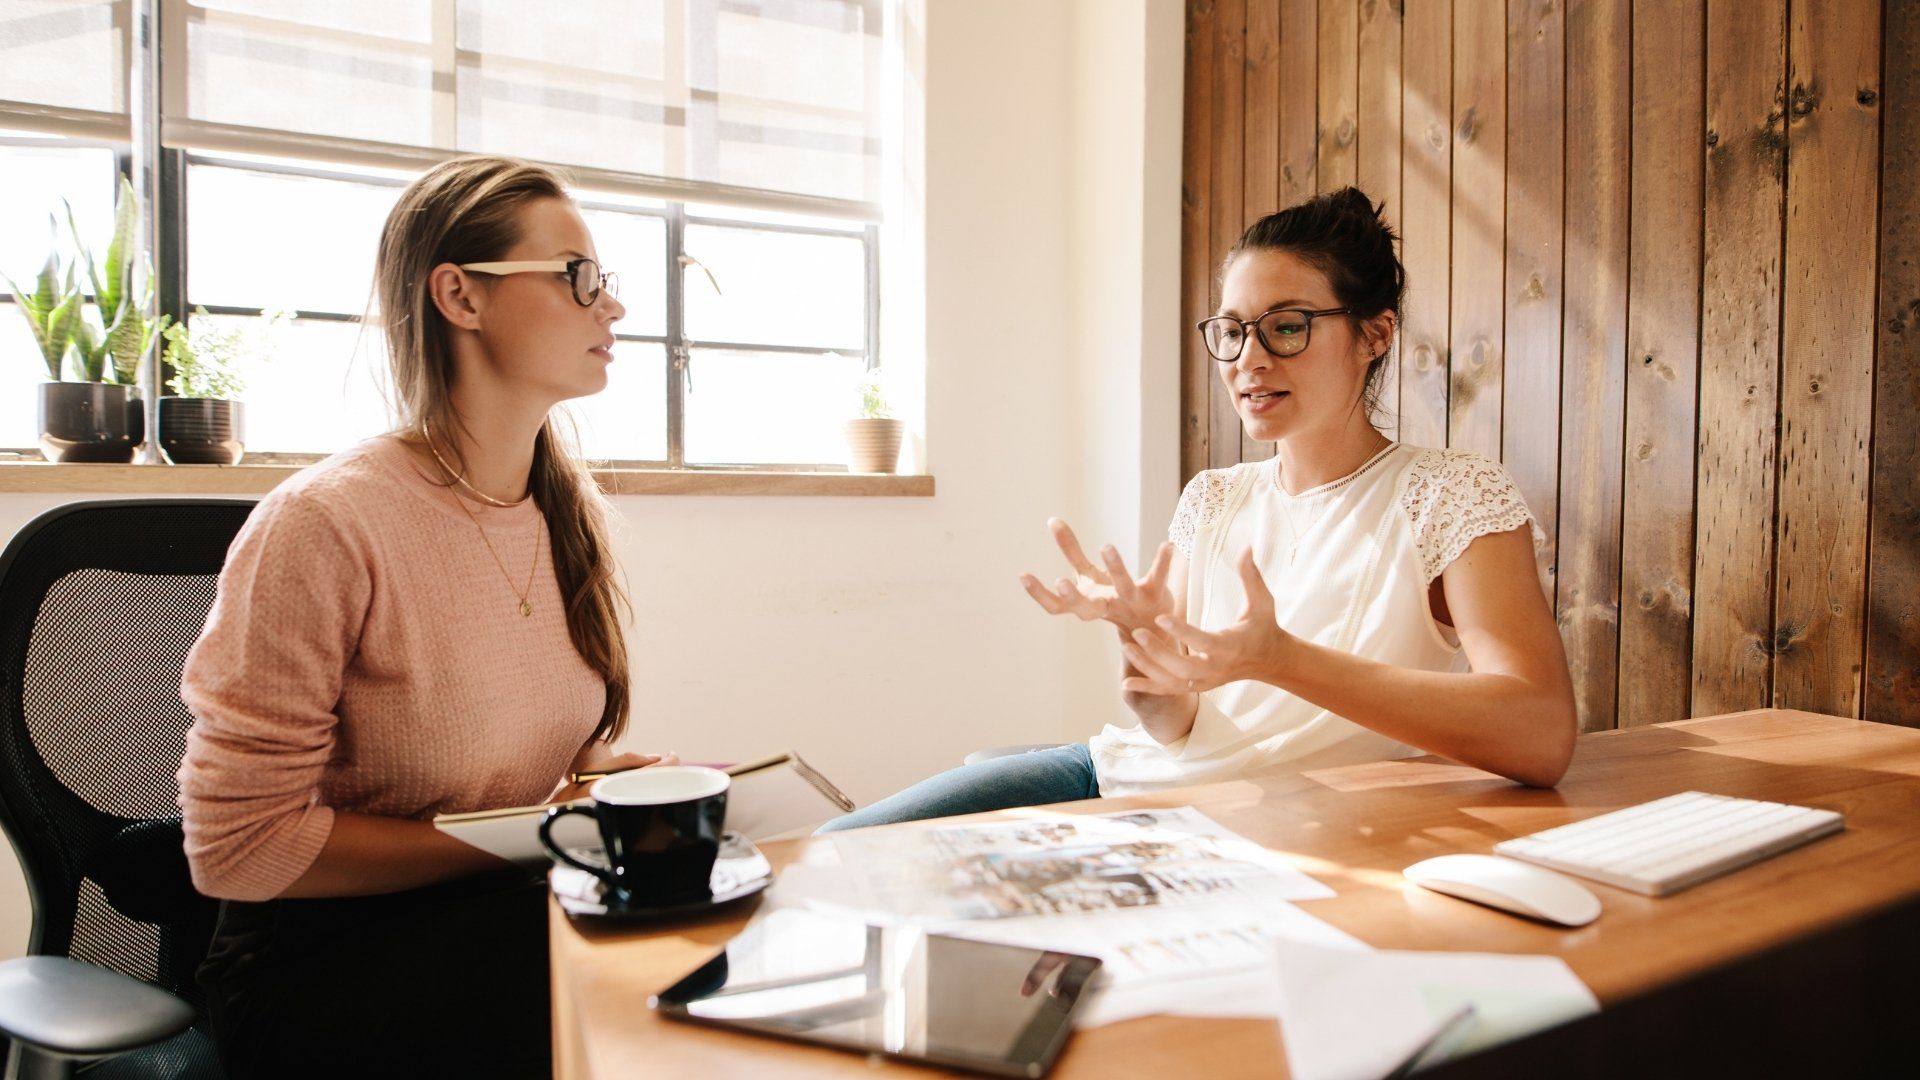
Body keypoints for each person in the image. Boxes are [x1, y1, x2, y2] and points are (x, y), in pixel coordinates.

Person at [821, 187, 1577, 832]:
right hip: (1119, 778)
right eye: (1233, 331)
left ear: (1374, 333)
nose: (1250, 359)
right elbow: (1175, 727)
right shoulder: (1214, 496)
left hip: (1243, 822)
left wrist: (1282, 661)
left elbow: (1540, 734)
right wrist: (1146, 660)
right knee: (834, 849)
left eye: (1287, 326)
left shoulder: (1450, 493)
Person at [177, 155, 668, 1076]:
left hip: (504, 910)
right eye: (577, 276)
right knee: (619, 980)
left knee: (708, 915)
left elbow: (495, 751)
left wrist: (595, 785)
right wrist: (533, 832)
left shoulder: (561, 509)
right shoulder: (325, 524)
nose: (611, 306)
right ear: (460, 296)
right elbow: (237, 852)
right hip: (320, 964)